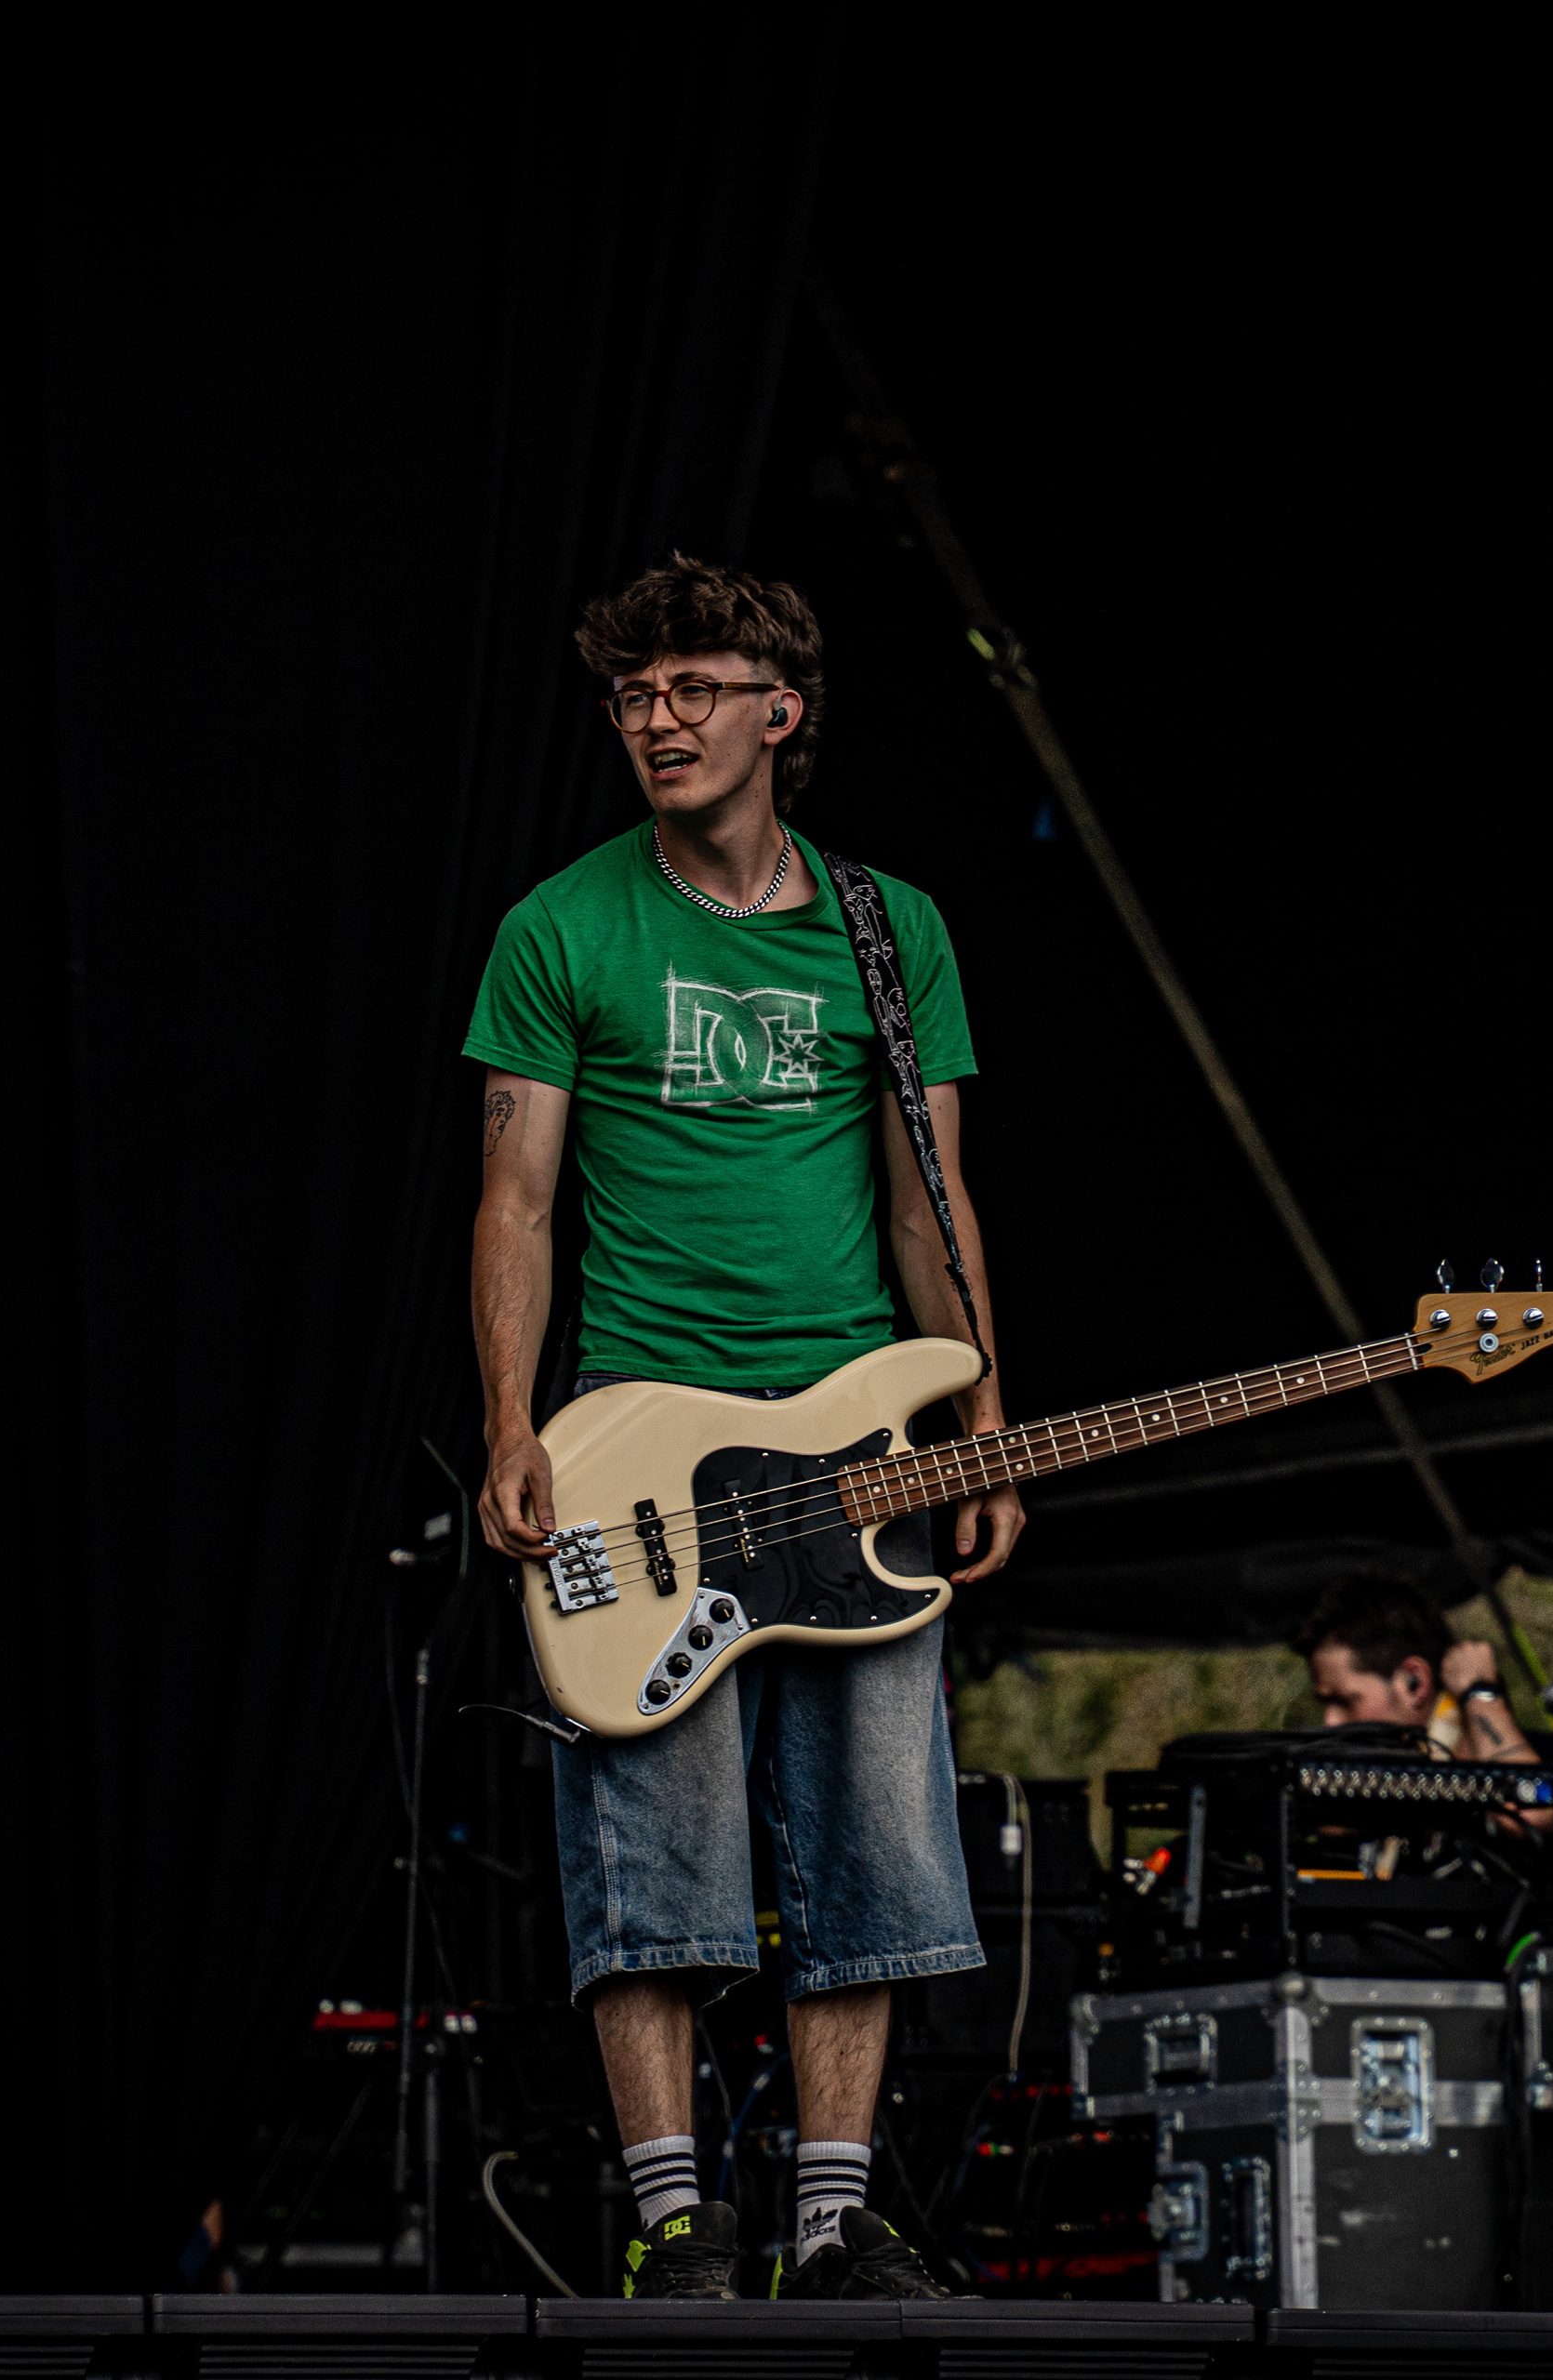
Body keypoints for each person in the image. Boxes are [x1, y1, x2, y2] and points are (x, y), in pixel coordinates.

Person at [466, 554, 1020, 2303]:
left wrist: (982, 1402)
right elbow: (514, 1200)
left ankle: (836, 2226)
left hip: (858, 1443)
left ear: (780, 710)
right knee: (654, 1852)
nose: (659, 717)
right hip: (638, 1435)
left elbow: (929, 1197)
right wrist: (511, 1419)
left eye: (694, 686)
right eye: (635, 693)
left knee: (873, 1845)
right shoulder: (562, 925)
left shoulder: (891, 928)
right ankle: (676, 2225)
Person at [1291, 1574, 1553, 1836]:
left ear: (1415, 1683)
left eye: (1344, 1700)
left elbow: (1531, 1816)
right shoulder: (1363, 1794)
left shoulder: (1550, 1758)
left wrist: (1480, 1692)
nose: (1330, 1721)